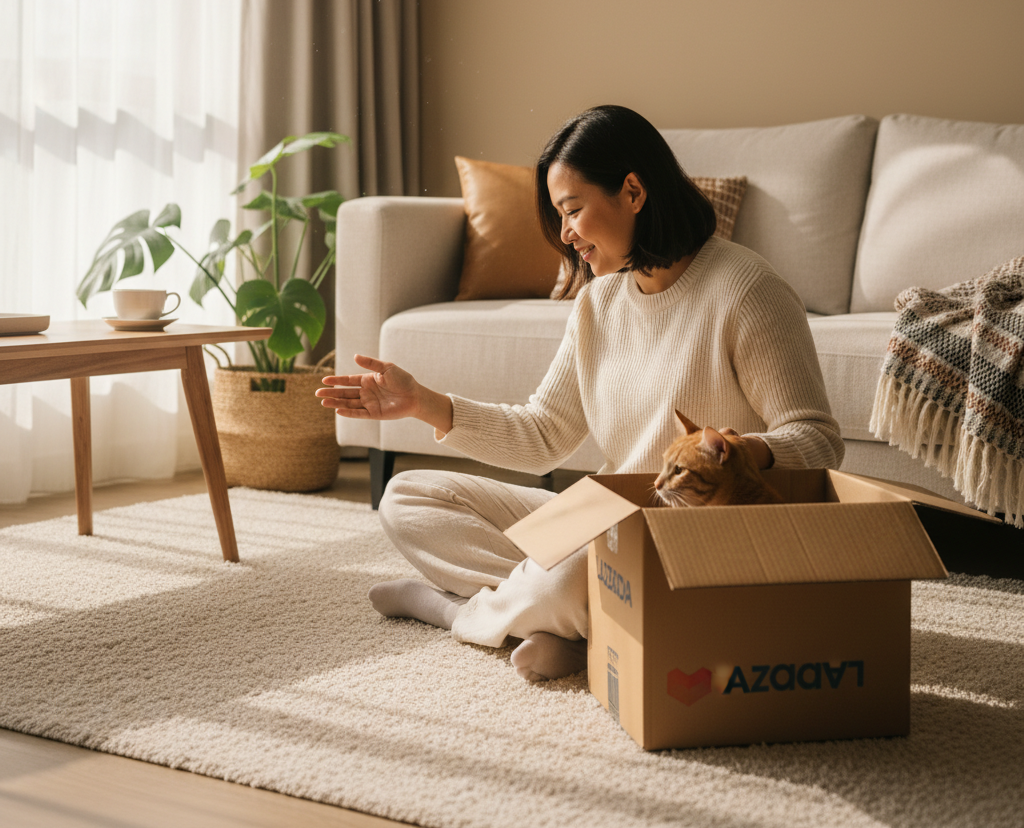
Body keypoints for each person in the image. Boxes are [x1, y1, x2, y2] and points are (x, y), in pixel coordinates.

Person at [316, 105, 843, 682]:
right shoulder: (599, 302)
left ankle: (458, 613)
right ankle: (579, 630)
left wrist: (741, 452)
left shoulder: (747, 292)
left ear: (634, 191)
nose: (565, 234)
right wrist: (424, 404)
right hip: (607, 518)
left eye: (572, 211)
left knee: (567, 575)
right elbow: (544, 434)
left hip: (693, 539)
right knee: (407, 499)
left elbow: (817, 439)